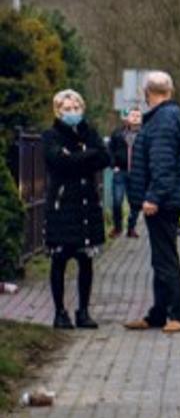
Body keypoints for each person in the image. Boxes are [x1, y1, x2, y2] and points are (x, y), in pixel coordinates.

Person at [125, 71, 180, 334]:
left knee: (165, 259)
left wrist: (153, 197)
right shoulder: (176, 116)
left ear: (147, 93)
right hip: (172, 197)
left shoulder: (162, 121)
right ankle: (158, 312)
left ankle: (178, 314)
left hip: (163, 201)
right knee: (160, 257)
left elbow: (162, 164)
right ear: (170, 91)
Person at [42, 90, 108, 330]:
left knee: (85, 259)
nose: (72, 113)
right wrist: (85, 156)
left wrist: (78, 156)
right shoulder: (51, 135)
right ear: (58, 111)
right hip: (62, 203)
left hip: (86, 202)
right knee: (59, 259)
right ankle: (60, 312)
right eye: (67, 109)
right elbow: (59, 161)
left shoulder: (89, 132)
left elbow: (104, 157)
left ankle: (84, 311)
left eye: (76, 108)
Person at [107, 107, 141, 239]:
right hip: (120, 172)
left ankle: (131, 228)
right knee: (117, 201)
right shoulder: (117, 133)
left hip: (137, 173)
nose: (135, 118)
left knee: (135, 203)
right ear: (127, 118)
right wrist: (113, 165)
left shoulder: (144, 134)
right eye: (133, 116)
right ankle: (117, 227)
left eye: (138, 116)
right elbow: (110, 150)